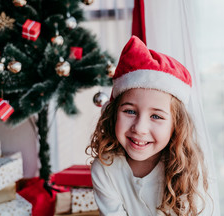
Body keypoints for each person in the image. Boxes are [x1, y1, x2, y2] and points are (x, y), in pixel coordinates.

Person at [87, 36, 212, 216]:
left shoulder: (186, 169)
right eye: (130, 111)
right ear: (113, 114)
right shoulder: (105, 169)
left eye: (156, 116)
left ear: (176, 126)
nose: (139, 128)